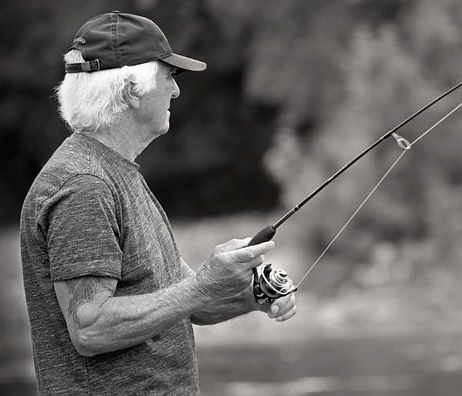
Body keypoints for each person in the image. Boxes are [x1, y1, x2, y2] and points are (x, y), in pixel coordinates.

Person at [19, 11, 297, 395]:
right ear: (132, 89)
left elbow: (184, 303)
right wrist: (203, 284)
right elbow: (89, 327)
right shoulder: (84, 185)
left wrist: (252, 296)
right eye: (169, 75)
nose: (176, 91)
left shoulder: (118, 172)